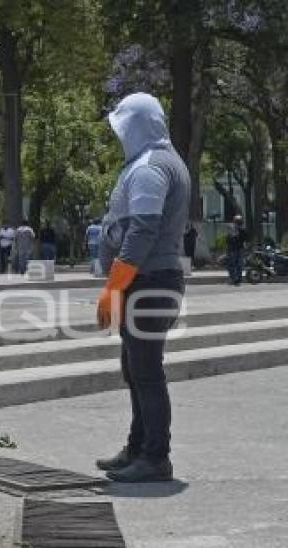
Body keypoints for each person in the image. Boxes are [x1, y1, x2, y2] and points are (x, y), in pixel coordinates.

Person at [95, 92, 190, 482]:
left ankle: (155, 457)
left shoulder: (151, 166)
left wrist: (113, 287)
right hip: (147, 280)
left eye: (123, 127)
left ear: (139, 125)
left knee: (146, 371)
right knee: (134, 368)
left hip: (147, 281)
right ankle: (137, 448)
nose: (120, 136)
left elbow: (143, 229)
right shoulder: (160, 160)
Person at [226, 215, 248, 286]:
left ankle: (235, 279)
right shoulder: (242, 229)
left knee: (233, 264)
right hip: (239, 249)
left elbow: (229, 239)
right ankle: (237, 279)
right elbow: (246, 239)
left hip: (234, 249)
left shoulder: (234, 229)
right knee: (238, 265)